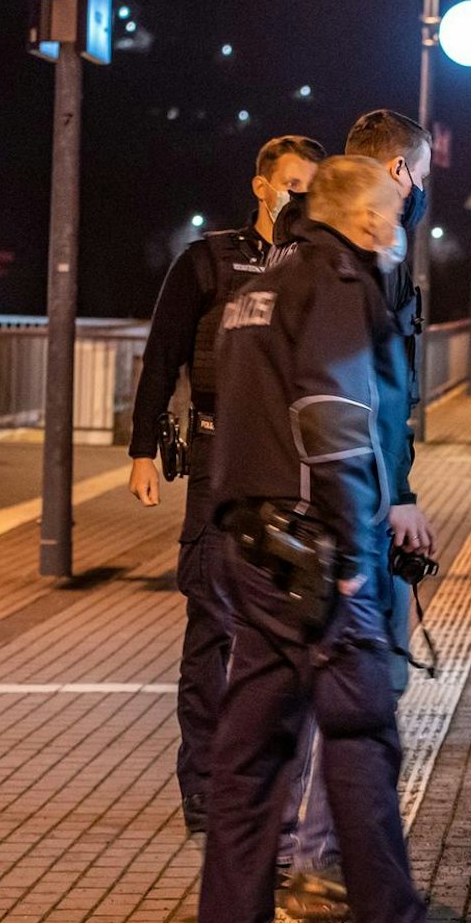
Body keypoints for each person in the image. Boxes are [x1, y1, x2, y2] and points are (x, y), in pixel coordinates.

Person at [198, 155, 471, 923]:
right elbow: (333, 415)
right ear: (366, 220)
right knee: (362, 742)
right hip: (318, 556)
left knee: (250, 759)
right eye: (395, 212)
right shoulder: (337, 281)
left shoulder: (258, 286)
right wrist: (356, 554)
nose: (400, 227)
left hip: (251, 547)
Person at [127, 134, 326, 835]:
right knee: (211, 625)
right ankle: (206, 790)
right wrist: (142, 450)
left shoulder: (322, 267)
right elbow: (162, 357)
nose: (300, 198)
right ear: (261, 186)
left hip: (293, 461)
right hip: (219, 453)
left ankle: (265, 787)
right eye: (291, 185)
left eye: (312, 188)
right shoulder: (208, 261)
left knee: (283, 633)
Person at [273, 109, 434, 922]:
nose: (415, 203)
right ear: (395, 178)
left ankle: (290, 860)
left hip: (287, 515)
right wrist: (387, 502)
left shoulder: (285, 257)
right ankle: (321, 866)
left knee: (289, 700)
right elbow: (353, 407)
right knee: (359, 698)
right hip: (342, 518)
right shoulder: (351, 276)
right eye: (419, 180)